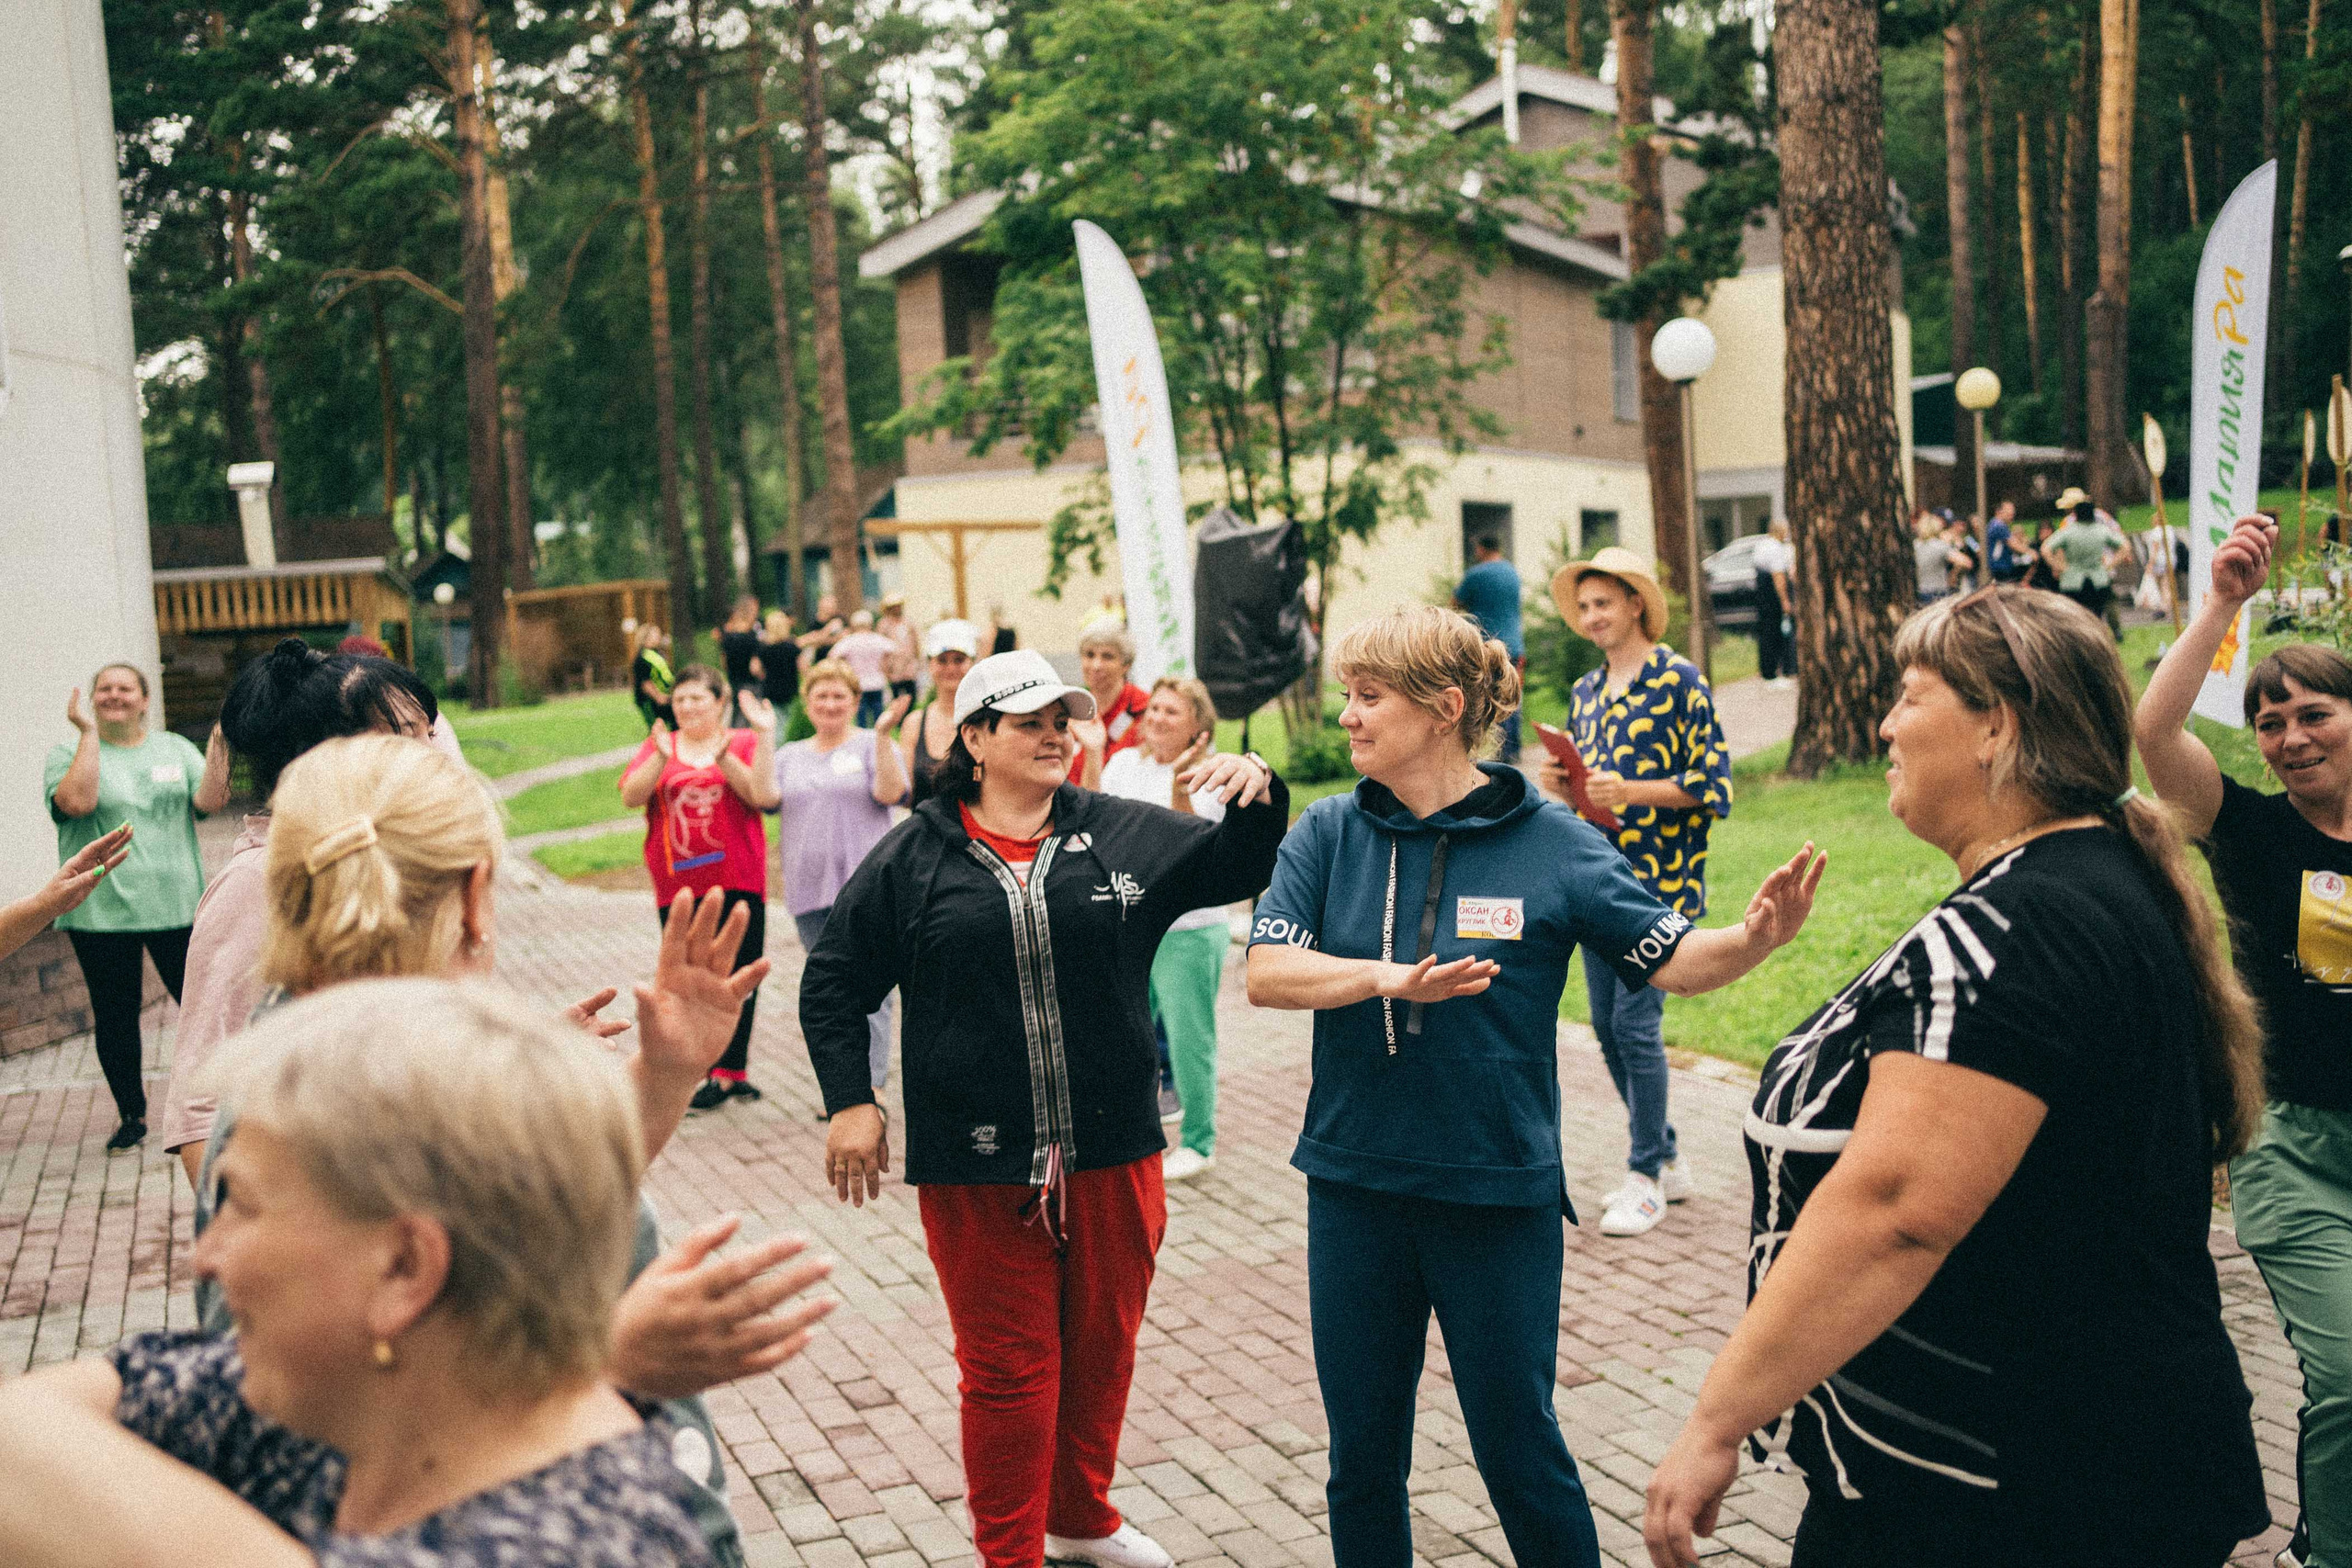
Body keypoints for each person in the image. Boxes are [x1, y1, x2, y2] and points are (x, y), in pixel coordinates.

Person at [1644, 584, 2270, 1568]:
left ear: (1996, 725)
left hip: (2006, 1488)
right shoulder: (2089, 879)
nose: (1885, 724)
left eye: (1907, 694)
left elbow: (1899, 1206)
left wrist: (1717, 1419)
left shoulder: (2017, 928)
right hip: (2070, 1462)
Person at [1245, 604, 1820, 1568]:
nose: (1346, 715)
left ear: (1444, 709)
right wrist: (1387, 976)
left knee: (1519, 1451)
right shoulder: (1329, 829)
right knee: (1360, 1461)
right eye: (1348, 694)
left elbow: (1671, 957)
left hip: (1493, 1192)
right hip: (1354, 1187)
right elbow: (1267, 971)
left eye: (1368, 696)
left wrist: (1752, 940)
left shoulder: (1552, 840)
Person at [0, 977, 834, 1568]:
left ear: (405, 1266)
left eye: (243, 1205)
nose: (204, 1253)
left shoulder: (583, 1544)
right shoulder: (342, 1400)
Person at [802, 649, 1287, 1568]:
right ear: (973, 738)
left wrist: (1259, 792)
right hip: (978, 1163)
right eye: (1029, 722)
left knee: (1101, 1350)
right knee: (1009, 1374)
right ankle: (1010, 1555)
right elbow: (835, 982)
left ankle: (1080, 1518)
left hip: (1114, 1149)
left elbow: (1232, 864)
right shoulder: (912, 857)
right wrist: (850, 1101)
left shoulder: (1117, 831)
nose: (1055, 734)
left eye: (1063, 718)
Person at [2137, 515, 2352, 1568]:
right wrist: (2220, 602)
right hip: (2295, 1152)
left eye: (2314, 714)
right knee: (2351, 1367)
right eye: (2270, 723)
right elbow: (2155, 731)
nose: (2290, 737)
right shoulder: (2252, 830)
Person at [161, 640, 446, 1188]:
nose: (432, 755)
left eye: (428, 734)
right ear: (323, 756)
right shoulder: (259, 886)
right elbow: (201, 1115)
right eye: (405, 736)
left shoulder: (383, 862)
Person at [1553, 548, 1735, 1235]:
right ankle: (1669, 1157)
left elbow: (1712, 784)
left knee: (1635, 1025)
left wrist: (1630, 791)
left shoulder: (1681, 680)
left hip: (1661, 885)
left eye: (1605, 602)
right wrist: (1565, 784)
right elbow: (1592, 790)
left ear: (1636, 604)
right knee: (1605, 1026)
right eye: (1586, 605)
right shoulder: (1586, 692)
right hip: (1599, 880)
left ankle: (1645, 1175)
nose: (1593, 615)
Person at [45, 664, 232, 1150]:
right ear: (91, 701)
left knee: (202, 1005)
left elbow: (209, 801)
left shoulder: (174, 749)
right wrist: (88, 734)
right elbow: (79, 802)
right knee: (116, 1015)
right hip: (100, 914)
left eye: (124, 688)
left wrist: (219, 741)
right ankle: (133, 1115)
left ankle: (228, 1101)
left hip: (178, 907)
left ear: (145, 699)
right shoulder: (70, 753)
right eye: (103, 689)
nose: (114, 696)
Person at [619, 665, 780, 1111]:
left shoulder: (743, 742)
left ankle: (731, 1074)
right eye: (681, 699)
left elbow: (759, 797)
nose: (688, 707)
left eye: (698, 698)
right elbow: (632, 796)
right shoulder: (659, 747)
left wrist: (725, 758)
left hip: (738, 878)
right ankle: (703, 1068)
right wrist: (657, 755)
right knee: (689, 975)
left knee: (740, 972)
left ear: (720, 700)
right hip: (678, 885)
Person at [1098, 677, 1227, 1180]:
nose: (1155, 719)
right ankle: (1129, 1129)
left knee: (1190, 1040)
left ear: (1198, 726)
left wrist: (1179, 790)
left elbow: (1194, 853)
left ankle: (1199, 1142)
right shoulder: (1124, 764)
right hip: (1132, 923)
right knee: (1124, 1034)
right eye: (1153, 709)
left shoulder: (1212, 774)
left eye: (1171, 712)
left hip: (1188, 930)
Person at [776, 660, 908, 1099]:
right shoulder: (789, 755)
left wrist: (887, 734)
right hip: (810, 890)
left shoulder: (873, 744)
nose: (830, 704)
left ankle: (870, 1088)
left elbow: (891, 795)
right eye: (821, 696)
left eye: (839, 696)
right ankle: (842, 1087)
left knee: (872, 990)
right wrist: (759, 732)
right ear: (807, 703)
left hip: (867, 890)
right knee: (829, 994)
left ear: (855, 701)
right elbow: (764, 799)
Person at [1453, 533, 1528, 758]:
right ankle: (1514, 749)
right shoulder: (1512, 572)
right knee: (1512, 692)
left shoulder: (1475, 575)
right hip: (1514, 643)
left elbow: (1455, 604)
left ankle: (1497, 750)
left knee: (1488, 695)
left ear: (1481, 549)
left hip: (1486, 644)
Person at [902, 618, 978, 807]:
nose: (951, 668)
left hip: (976, 834)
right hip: (926, 833)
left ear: (972, 663)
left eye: (959, 660)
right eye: (942, 660)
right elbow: (904, 797)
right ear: (930, 664)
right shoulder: (913, 723)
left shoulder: (986, 719)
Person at [1071, 622, 1150, 787]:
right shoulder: (1072, 709)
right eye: (1089, 655)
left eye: (1107, 656)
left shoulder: (1146, 709)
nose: (1096, 665)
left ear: (1126, 665)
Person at [2046, 497, 2126, 633]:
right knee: (2097, 615)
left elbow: (2046, 548)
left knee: (2074, 616)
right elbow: (2125, 546)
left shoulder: (2068, 530)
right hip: (2098, 579)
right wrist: (2111, 564)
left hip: (2072, 580)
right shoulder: (2101, 530)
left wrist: (2059, 566)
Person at [830, 610, 898, 728]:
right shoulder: (876, 639)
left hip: (858, 682)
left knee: (861, 717)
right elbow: (894, 649)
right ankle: (878, 737)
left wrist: (845, 668)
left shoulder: (850, 641)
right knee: (878, 715)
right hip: (876, 681)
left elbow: (833, 655)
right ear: (870, 624)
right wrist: (886, 664)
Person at [1751, 519, 1796, 688]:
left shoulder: (1762, 545)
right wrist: (1785, 600)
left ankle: (1766, 669)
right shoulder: (1776, 548)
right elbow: (1778, 577)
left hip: (1761, 592)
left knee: (1765, 632)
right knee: (1775, 632)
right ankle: (1776, 670)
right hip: (1772, 594)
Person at [718, 595, 765, 725]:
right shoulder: (752, 638)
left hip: (734, 679)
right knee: (750, 718)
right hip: (750, 682)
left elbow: (724, 663)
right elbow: (754, 667)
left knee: (736, 715)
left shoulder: (726, 637)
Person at [877, 592, 921, 708]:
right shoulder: (884, 624)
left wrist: (917, 660)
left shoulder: (908, 623)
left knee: (911, 694)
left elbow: (915, 642)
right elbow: (881, 647)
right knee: (896, 695)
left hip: (908, 665)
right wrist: (885, 668)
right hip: (894, 666)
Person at [628, 624, 675, 731]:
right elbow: (645, 682)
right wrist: (658, 697)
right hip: (649, 700)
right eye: (656, 634)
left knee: (674, 725)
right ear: (647, 637)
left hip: (665, 696)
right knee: (656, 729)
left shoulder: (657, 653)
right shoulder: (642, 657)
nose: (659, 636)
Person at [758, 608, 801, 713]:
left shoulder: (764, 648)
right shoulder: (792, 647)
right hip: (790, 690)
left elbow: (755, 668)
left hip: (770, 690)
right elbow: (802, 666)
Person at [1984, 498, 2026, 583]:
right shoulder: (1999, 525)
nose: (2012, 513)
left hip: (2001, 568)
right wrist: (2031, 552)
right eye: (2009, 511)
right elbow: (2014, 545)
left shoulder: (1996, 524)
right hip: (2000, 568)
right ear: (1999, 511)